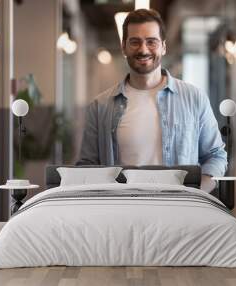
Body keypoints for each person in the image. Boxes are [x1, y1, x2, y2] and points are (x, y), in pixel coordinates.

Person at [77, 9, 227, 192]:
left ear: (163, 46)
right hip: (120, 209)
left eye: (151, 42)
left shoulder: (194, 98)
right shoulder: (100, 106)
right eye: (135, 42)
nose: (143, 49)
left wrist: (195, 194)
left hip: (178, 210)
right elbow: (87, 165)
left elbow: (215, 155)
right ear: (123, 46)